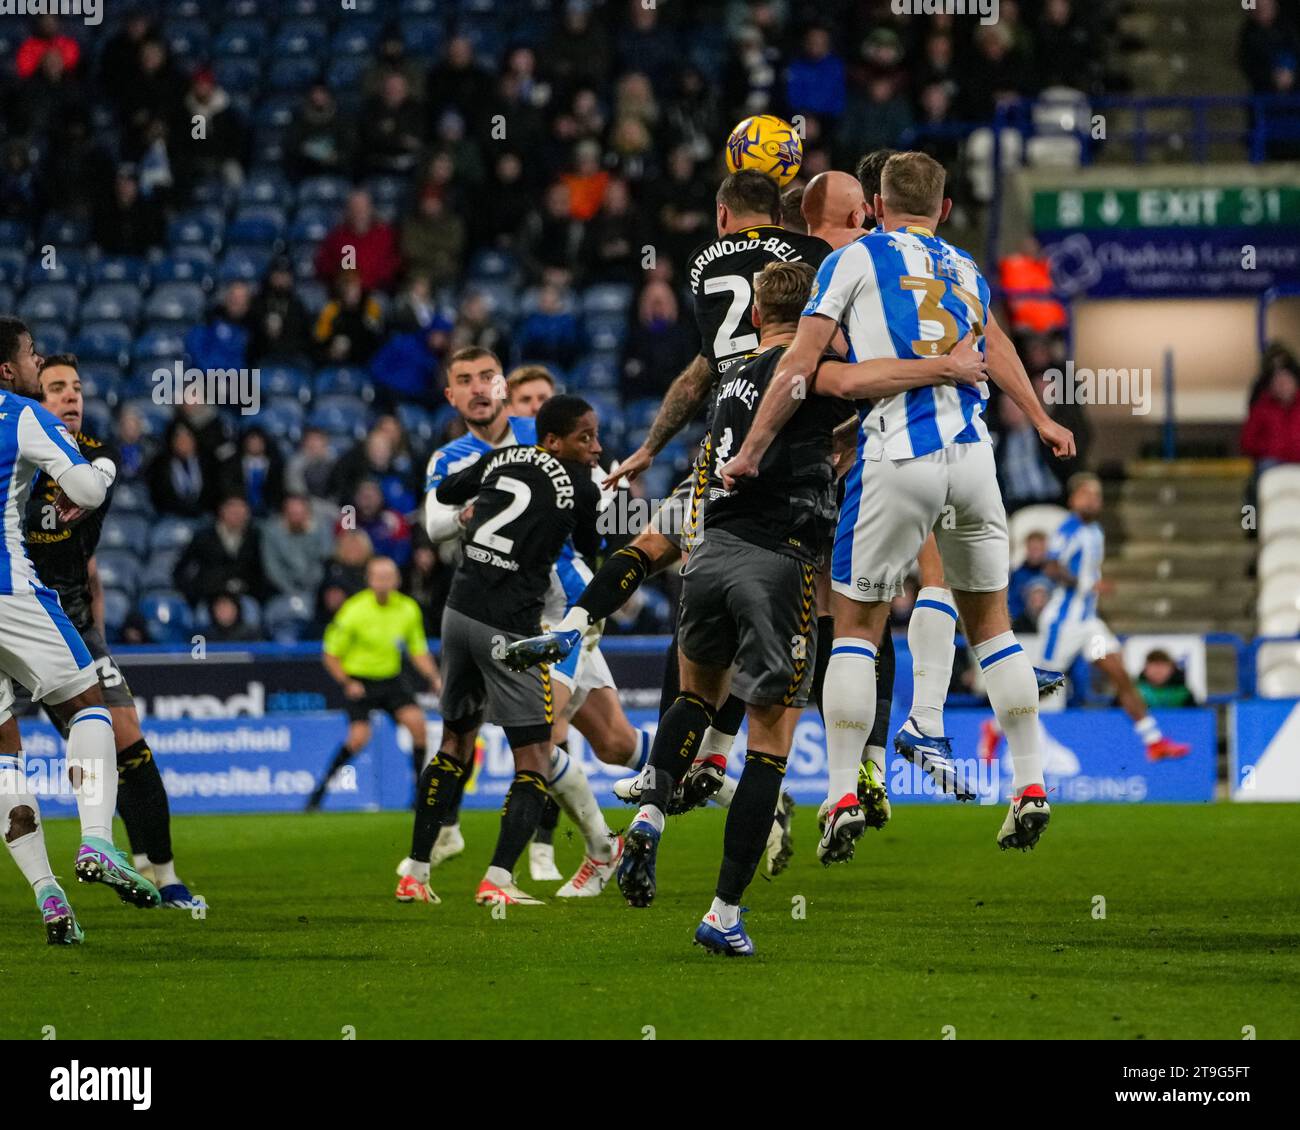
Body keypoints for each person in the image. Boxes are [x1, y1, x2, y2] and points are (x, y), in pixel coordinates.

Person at [723, 151, 1072, 856]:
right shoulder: (966, 267)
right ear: (944, 211)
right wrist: (1040, 418)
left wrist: (754, 446)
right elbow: (998, 347)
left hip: (896, 455)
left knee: (855, 629)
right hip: (974, 458)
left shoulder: (854, 261)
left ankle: (843, 794)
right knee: (996, 629)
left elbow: (799, 364)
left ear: (877, 209)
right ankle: (1030, 785)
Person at [616, 261, 862, 950]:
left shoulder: (730, 381)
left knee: (693, 701)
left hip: (707, 557)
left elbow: (803, 432)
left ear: (755, 315)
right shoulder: (807, 365)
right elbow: (862, 388)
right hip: (778, 563)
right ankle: (724, 914)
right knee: (769, 746)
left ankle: (647, 820)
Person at [420, 350, 645, 888]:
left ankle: (566, 852)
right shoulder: (452, 456)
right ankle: (735, 785)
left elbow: (606, 491)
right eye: (464, 381)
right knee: (614, 744)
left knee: (539, 732)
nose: (479, 390)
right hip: (502, 607)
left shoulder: (544, 438)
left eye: (487, 380)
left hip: (565, 608)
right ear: (450, 395)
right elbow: (435, 523)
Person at [395, 395, 607, 906]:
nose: (596, 449)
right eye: (585, 438)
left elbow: (446, 492)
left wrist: (473, 510)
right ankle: (498, 880)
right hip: (507, 628)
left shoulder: (502, 457)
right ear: (553, 440)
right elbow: (589, 548)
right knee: (534, 757)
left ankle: (416, 875)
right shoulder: (580, 486)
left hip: (457, 613)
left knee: (453, 743)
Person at [0, 319, 158, 945]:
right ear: (9, 369)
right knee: (87, 704)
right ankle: (97, 842)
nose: (38, 362)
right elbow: (88, 484)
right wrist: (105, 471)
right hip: (9, 588)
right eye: (32, 353)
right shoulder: (18, 412)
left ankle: (48, 896)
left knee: (4, 753)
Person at [27, 354, 201, 910]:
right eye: (56, 388)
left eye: (76, 388)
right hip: (17, 617)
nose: (72, 397)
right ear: (35, 398)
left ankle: (162, 870)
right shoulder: (14, 462)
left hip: (71, 619)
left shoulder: (96, 457)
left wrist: (96, 633)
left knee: (126, 738)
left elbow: (89, 555)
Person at [980, 474, 1192, 763]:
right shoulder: (1069, 530)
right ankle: (994, 727)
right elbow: (1052, 568)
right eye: (1086, 495)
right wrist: (1085, 584)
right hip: (1063, 623)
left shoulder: (1096, 532)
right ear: (1073, 500)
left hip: (1088, 623)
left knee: (1119, 674)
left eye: (1096, 495)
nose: (1092, 500)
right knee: (1042, 688)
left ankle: (1153, 740)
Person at [307, 557, 440, 812]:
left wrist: (434, 676)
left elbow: (418, 650)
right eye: (378, 577)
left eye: (388, 577)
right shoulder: (354, 610)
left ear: (397, 580)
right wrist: (347, 682)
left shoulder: (408, 608)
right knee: (358, 739)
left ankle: (418, 796)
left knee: (418, 726)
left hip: (390, 678)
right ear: (369, 580)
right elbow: (330, 654)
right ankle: (319, 793)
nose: (383, 583)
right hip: (359, 679)